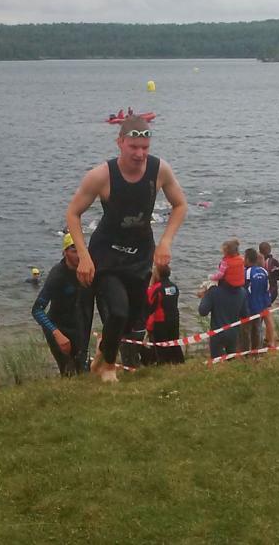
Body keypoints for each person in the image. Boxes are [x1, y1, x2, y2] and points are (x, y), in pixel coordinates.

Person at [66, 115, 187, 382]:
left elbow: (180, 205)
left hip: (140, 254)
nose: (140, 154)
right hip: (107, 255)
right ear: (120, 142)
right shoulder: (101, 176)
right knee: (118, 311)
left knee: (133, 320)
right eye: (133, 147)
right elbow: (73, 213)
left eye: (145, 148)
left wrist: (166, 241)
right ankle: (108, 367)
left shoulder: (160, 170)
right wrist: (84, 256)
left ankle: (103, 348)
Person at [32, 233, 87, 376]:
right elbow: (37, 310)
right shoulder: (58, 275)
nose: (78, 255)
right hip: (57, 327)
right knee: (67, 371)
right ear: (65, 252)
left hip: (77, 325)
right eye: (74, 251)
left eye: (81, 250)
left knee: (82, 369)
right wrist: (56, 333)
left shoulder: (86, 269)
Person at [198, 280, 249, 359]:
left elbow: (203, 311)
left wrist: (205, 296)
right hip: (233, 333)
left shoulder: (213, 291)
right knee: (231, 359)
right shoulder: (242, 292)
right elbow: (245, 314)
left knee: (216, 360)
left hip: (217, 333)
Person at [145, 264, 184, 364]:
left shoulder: (155, 288)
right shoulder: (174, 286)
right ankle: (179, 361)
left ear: (157, 274)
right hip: (174, 317)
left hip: (160, 320)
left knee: (161, 344)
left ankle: (163, 363)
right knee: (174, 342)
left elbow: (149, 306)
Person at [240, 248, 272, 352]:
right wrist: (266, 304)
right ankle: (257, 351)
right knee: (257, 329)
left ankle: (245, 353)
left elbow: (244, 290)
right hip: (260, 307)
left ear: (247, 259)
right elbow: (267, 289)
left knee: (246, 332)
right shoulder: (264, 271)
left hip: (249, 307)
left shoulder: (247, 273)